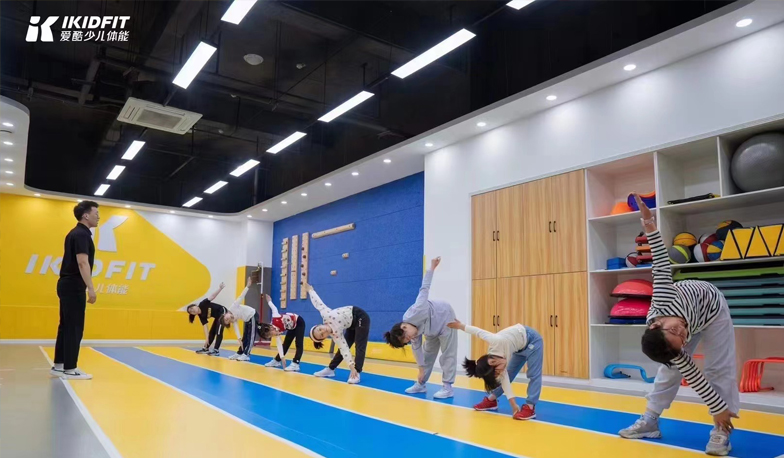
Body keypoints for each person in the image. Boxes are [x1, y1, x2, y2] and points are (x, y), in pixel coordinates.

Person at [618, 193, 738, 457]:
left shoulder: (663, 298)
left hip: (712, 307)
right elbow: (694, 376)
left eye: (676, 331)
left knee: (719, 368)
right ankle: (650, 421)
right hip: (692, 314)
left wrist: (649, 223)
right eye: (682, 339)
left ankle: (722, 430)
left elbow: (661, 262)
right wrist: (716, 405)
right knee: (669, 372)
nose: (683, 333)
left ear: (656, 325)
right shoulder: (674, 344)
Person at [383, 256, 456, 399]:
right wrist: (421, 370)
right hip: (431, 329)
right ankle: (421, 384)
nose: (410, 339)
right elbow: (417, 351)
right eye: (407, 341)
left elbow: (424, 287)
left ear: (404, 326)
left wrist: (432, 267)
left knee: (448, 353)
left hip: (445, 317)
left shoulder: (417, 309)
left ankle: (447, 387)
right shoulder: (411, 334)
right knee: (427, 355)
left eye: (407, 337)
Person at [448, 319, 543, 421]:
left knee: (534, 375)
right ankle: (492, 400)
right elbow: (505, 381)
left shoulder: (496, 341)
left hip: (532, 340)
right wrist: (514, 405)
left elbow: (478, 332)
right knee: (507, 375)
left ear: (493, 362)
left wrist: (460, 326)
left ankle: (530, 407)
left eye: (498, 371)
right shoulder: (496, 363)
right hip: (518, 347)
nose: (500, 372)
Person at [50, 201, 100, 380]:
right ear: (85, 215)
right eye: (96, 213)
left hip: (66, 284)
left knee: (65, 326)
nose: (98, 217)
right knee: (74, 327)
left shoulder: (75, 233)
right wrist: (91, 288)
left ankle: (59, 365)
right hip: (73, 285)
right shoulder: (81, 234)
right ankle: (70, 369)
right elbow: (82, 262)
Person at [307, 284, 370, 384]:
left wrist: (311, 291)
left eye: (320, 329)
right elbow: (344, 349)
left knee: (360, 345)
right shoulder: (336, 335)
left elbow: (318, 304)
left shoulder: (326, 315)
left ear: (319, 325)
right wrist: (351, 366)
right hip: (351, 325)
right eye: (322, 335)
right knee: (342, 348)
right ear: (325, 338)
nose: (323, 331)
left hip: (360, 316)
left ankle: (356, 373)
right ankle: (331, 369)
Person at [260, 294, 305, 372]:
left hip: (299, 322)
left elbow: (274, 308)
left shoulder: (275, 318)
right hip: (291, 327)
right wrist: (282, 358)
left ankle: (296, 363)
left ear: (270, 328)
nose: (272, 336)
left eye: (271, 334)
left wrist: (269, 301)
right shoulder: (277, 332)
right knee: (286, 344)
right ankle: (277, 361)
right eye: (270, 336)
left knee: (299, 343)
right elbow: (279, 345)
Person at [186, 282, 228, 355]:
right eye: (191, 312)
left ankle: (216, 350)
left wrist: (220, 288)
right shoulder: (201, 316)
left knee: (218, 331)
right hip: (217, 317)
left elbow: (212, 296)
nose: (193, 311)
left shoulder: (203, 304)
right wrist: (206, 339)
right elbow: (205, 327)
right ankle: (206, 348)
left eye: (192, 308)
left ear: (195, 305)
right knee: (212, 332)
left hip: (222, 311)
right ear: (193, 314)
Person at [220, 277, 256, 362]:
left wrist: (247, 286)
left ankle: (246, 355)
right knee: (244, 337)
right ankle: (240, 353)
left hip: (252, 315)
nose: (229, 319)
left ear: (225, 314)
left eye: (227, 318)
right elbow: (236, 328)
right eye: (228, 321)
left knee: (251, 337)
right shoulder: (233, 319)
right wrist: (239, 338)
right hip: (247, 319)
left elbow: (241, 296)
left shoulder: (233, 306)